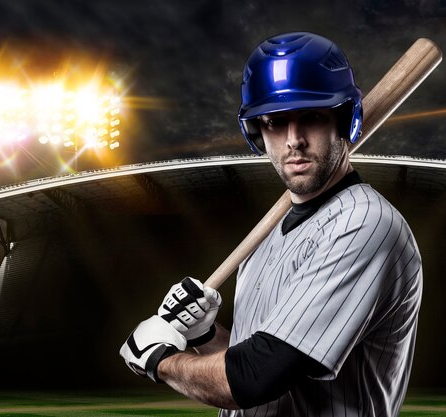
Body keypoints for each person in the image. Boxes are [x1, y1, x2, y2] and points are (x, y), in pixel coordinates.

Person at [120, 31, 423, 417]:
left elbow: (257, 376)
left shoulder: (365, 224)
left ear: (345, 120)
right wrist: (205, 336)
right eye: (275, 122)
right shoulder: (264, 239)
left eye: (311, 116)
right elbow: (252, 359)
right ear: (256, 132)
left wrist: (159, 360)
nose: (293, 140)